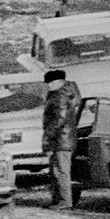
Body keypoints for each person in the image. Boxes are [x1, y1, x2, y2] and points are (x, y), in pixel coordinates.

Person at [41, 69, 81, 210]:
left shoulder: (59, 96)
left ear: (58, 82)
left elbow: (59, 119)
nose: (48, 86)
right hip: (64, 138)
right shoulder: (67, 93)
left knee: (61, 172)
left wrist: (47, 136)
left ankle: (65, 201)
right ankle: (59, 200)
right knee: (58, 171)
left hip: (61, 139)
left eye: (50, 83)